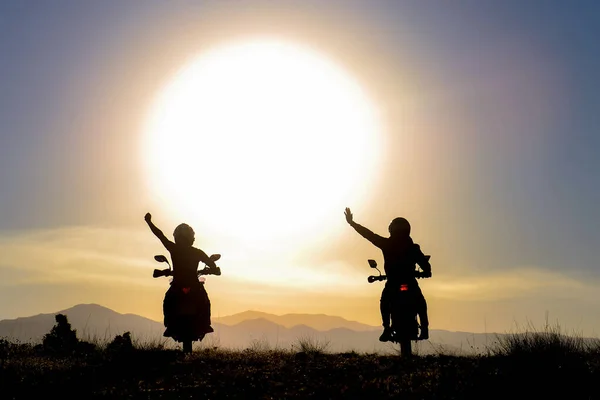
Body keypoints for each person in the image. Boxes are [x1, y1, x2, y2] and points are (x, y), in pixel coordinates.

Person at [344, 207, 431, 341]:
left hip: (393, 283)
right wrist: (427, 271)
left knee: (385, 301)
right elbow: (425, 265)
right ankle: (424, 329)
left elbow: (369, 235)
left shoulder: (387, 244)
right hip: (409, 282)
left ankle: (386, 328)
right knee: (420, 302)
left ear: (391, 230)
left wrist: (352, 223)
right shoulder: (413, 248)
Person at [144, 212, 220, 339]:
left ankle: (170, 326)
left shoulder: (174, 249)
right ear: (191, 238)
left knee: (168, 300)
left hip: (177, 285)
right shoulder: (197, 252)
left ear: (177, 237)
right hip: (194, 286)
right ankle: (205, 324)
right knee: (205, 301)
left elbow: (160, 235)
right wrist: (213, 269)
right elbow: (212, 265)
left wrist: (149, 222)